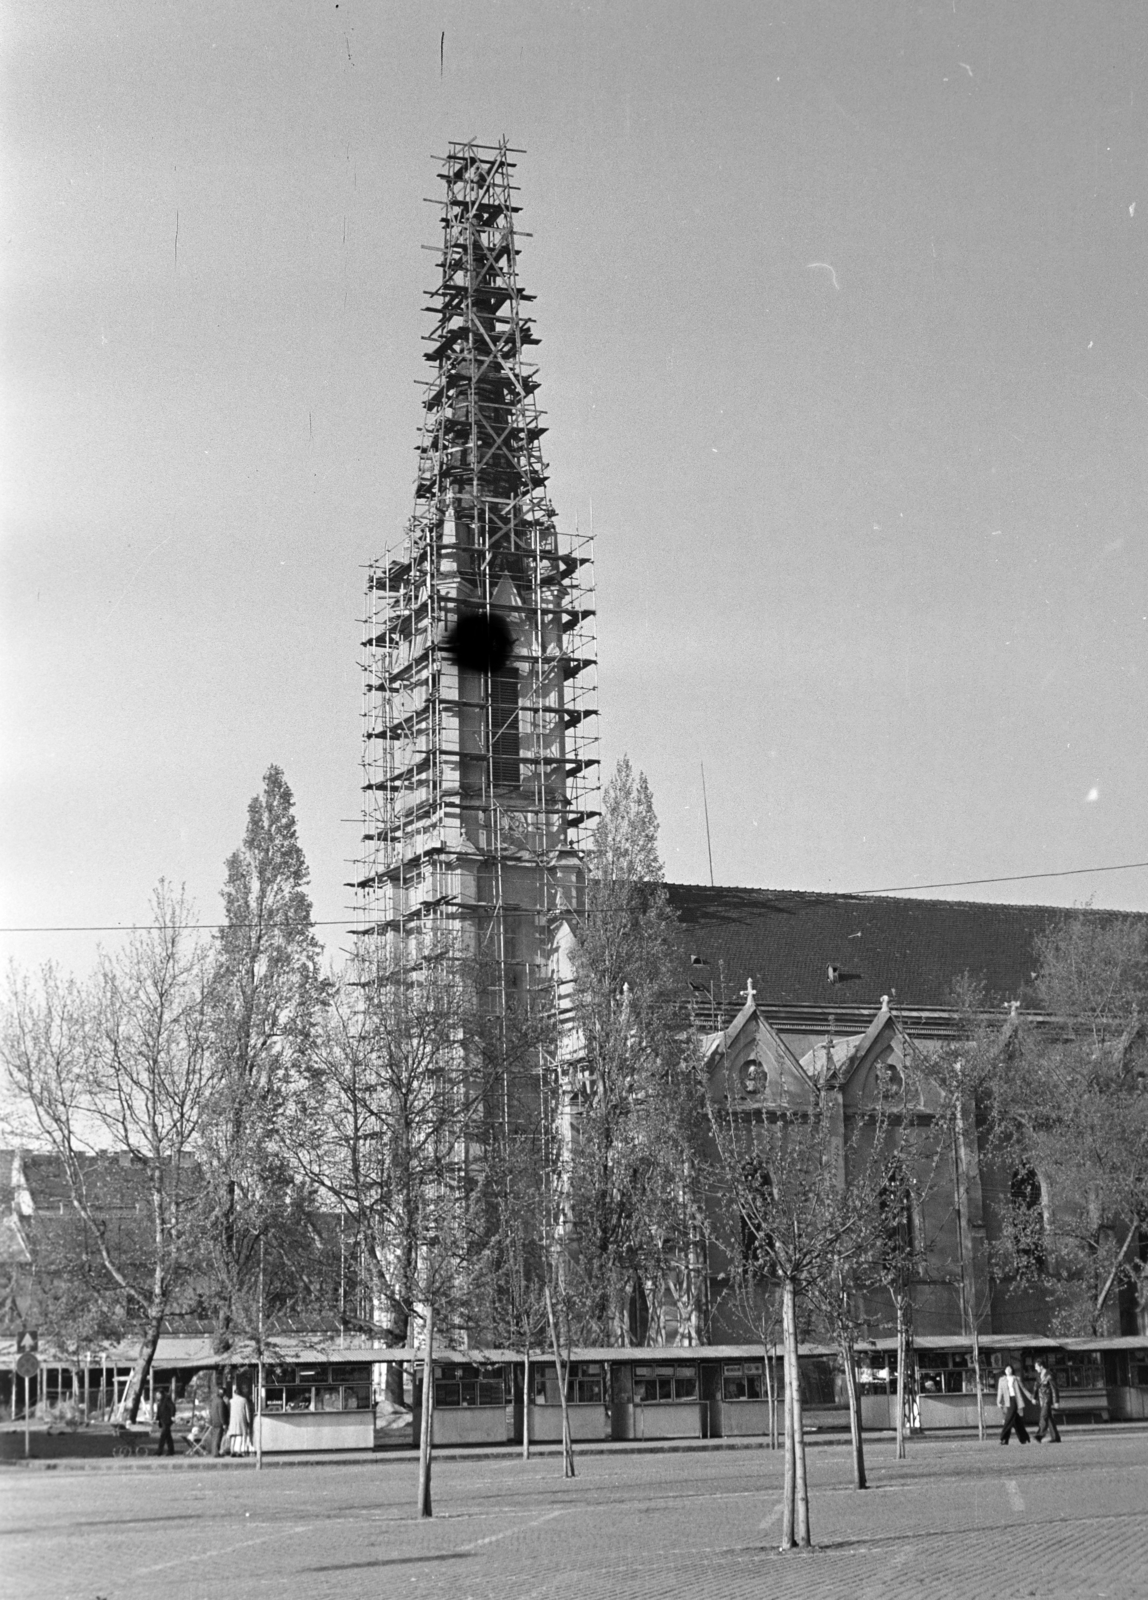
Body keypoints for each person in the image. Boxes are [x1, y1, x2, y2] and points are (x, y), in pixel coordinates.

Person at [996, 1363, 1034, 1445]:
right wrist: (998, 1402)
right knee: (1016, 1421)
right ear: (1005, 1371)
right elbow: (1000, 1392)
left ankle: (1002, 1437)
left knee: (1008, 1419)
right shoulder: (1001, 1380)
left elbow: (1023, 1389)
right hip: (1007, 1401)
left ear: (1012, 1370)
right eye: (1007, 1369)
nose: (1008, 1370)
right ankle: (1024, 1438)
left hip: (1014, 1400)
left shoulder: (1016, 1379)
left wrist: (1031, 1397)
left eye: (1010, 1369)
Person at [1034, 1359, 1061, 1443]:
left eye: (1036, 1366)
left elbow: (1054, 1388)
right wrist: (1034, 1398)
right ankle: (1055, 1437)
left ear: (1041, 1366)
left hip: (1047, 1398)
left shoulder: (1049, 1375)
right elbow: (1036, 1387)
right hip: (1042, 1399)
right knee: (1049, 1418)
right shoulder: (1039, 1375)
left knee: (1043, 1416)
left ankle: (1040, 1435)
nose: (1035, 1368)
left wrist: (1056, 1401)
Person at [226, 1386, 252, 1457]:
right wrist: (248, 1420)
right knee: (240, 1435)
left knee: (233, 1435)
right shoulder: (244, 1400)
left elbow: (228, 1411)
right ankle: (239, 1451)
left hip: (232, 1420)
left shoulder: (231, 1401)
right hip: (241, 1419)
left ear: (234, 1393)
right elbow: (247, 1412)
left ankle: (232, 1451)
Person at [154, 1385, 177, 1457]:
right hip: (163, 1421)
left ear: (161, 1394)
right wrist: (156, 1419)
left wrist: (172, 1416)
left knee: (163, 1436)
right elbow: (159, 1412)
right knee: (168, 1436)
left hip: (167, 1421)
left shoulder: (167, 1399)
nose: (157, 1396)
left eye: (158, 1394)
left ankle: (159, 1451)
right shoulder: (160, 1402)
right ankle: (171, 1451)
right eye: (156, 1395)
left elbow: (172, 1407)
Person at [207, 1385, 227, 1457]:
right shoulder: (220, 1402)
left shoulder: (214, 1400)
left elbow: (211, 1411)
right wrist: (224, 1423)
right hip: (219, 1422)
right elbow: (221, 1413)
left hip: (214, 1421)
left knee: (215, 1438)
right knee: (218, 1438)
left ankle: (214, 1452)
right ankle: (216, 1453)